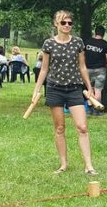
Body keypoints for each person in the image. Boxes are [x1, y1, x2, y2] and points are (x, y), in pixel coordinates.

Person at [32, 10, 96, 175]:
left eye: (70, 23)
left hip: (74, 88)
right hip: (55, 88)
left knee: (82, 127)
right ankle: (63, 164)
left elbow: (82, 66)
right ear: (56, 24)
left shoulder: (78, 43)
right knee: (60, 128)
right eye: (63, 23)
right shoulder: (48, 44)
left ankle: (89, 166)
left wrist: (89, 87)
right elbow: (44, 69)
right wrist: (37, 89)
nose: (67, 25)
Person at [84, 25, 107, 116]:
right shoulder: (105, 44)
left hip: (88, 69)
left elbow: (83, 56)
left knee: (90, 89)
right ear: (103, 34)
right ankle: (96, 110)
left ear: (95, 32)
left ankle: (89, 110)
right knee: (98, 90)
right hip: (100, 70)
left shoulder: (87, 42)